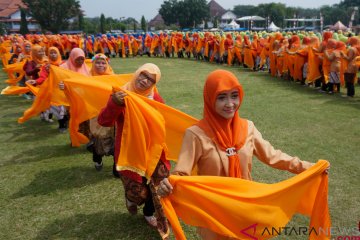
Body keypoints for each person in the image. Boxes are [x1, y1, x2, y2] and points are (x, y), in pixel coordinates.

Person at [158, 69, 326, 240]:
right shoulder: (196, 135)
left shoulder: (248, 128)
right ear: (210, 99)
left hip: (245, 207)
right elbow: (181, 174)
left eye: (234, 95)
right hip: (214, 211)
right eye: (221, 97)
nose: (230, 103)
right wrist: (168, 183)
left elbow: (273, 156)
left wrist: (308, 167)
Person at [97, 63, 170, 236]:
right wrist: (115, 104)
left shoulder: (155, 98)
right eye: (143, 75)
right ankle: (131, 199)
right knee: (138, 191)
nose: (145, 81)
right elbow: (103, 121)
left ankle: (149, 212)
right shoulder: (120, 94)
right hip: (129, 151)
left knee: (160, 183)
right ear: (136, 73)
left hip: (153, 149)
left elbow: (163, 120)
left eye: (151, 80)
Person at [87, 54, 115, 171]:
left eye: (103, 63)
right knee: (98, 138)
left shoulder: (113, 77)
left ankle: (116, 166)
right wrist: (65, 86)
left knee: (114, 139)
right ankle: (98, 159)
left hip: (111, 112)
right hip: (95, 115)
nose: (101, 65)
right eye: (98, 62)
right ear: (93, 64)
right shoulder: (87, 78)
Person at [58, 48, 90, 132]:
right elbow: (59, 81)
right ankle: (75, 136)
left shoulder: (86, 68)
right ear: (72, 58)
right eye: (78, 59)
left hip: (83, 98)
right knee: (74, 119)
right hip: (70, 99)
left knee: (85, 120)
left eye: (82, 59)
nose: (80, 61)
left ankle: (84, 137)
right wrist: (61, 85)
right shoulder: (63, 67)